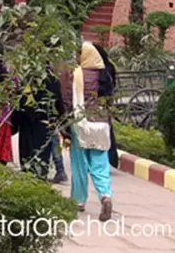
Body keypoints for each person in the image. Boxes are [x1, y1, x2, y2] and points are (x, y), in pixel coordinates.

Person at [61, 42, 114, 220]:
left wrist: (65, 126)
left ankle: (79, 200)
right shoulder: (105, 75)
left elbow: (67, 100)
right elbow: (109, 102)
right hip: (101, 125)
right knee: (100, 163)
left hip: (81, 123)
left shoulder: (75, 74)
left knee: (80, 164)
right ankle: (105, 196)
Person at [12, 66, 65, 179]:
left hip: (28, 126)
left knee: (28, 159)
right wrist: (62, 122)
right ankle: (40, 179)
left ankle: (29, 182)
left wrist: (15, 124)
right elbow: (58, 103)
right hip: (45, 124)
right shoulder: (53, 80)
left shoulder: (27, 79)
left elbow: (20, 104)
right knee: (42, 158)